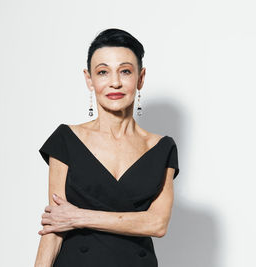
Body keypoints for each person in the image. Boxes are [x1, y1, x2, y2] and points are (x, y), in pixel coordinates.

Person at [34, 28, 180, 267]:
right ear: (89, 79)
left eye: (125, 71)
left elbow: (157, 224)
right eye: (103, 72)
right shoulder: (66, 139)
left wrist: (80, 217)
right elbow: (54, 227)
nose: (115, 82)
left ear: (140, 78)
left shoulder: (161, 148)